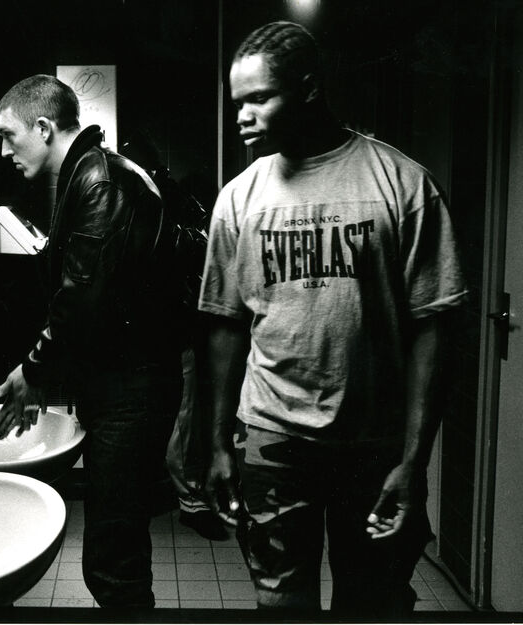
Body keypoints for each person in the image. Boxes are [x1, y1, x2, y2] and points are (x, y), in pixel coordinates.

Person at [199, 22, 467, 617]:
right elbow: (223, 325)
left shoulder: (402, 185)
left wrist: (414, 461)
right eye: (236, 101)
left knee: (371, 602)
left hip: (372, 443)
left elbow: (434, 328)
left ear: (309, 88)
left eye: (257, 99)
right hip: (272, 438)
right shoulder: (237, 200)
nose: (241, 116)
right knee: (281, 602)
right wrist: (215, 441)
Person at [0, 74, 182, 607]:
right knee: (113, 556)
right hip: (126, 389)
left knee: (112, 562)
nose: (4, 151)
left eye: (9, 135)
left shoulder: (99, 182)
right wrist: (38, 372)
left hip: (131, 394)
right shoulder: (93, 174)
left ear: (45, 127)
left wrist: (32, 371)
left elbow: (82, 300)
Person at [119, 132, 228, 542]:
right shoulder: (162, 201)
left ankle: (189, 499)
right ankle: (185, 497)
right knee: (176, 418)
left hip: (167, 329)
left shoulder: (158, 203)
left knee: (180, 419)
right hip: (163, 329)